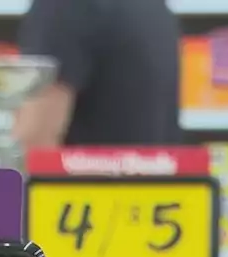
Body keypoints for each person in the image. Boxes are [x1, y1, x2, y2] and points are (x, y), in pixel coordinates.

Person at [13, 0, 182, 148]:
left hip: (81, 182)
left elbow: (35, 138)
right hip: (150, 181)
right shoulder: (153, 6)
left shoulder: (63, 5)